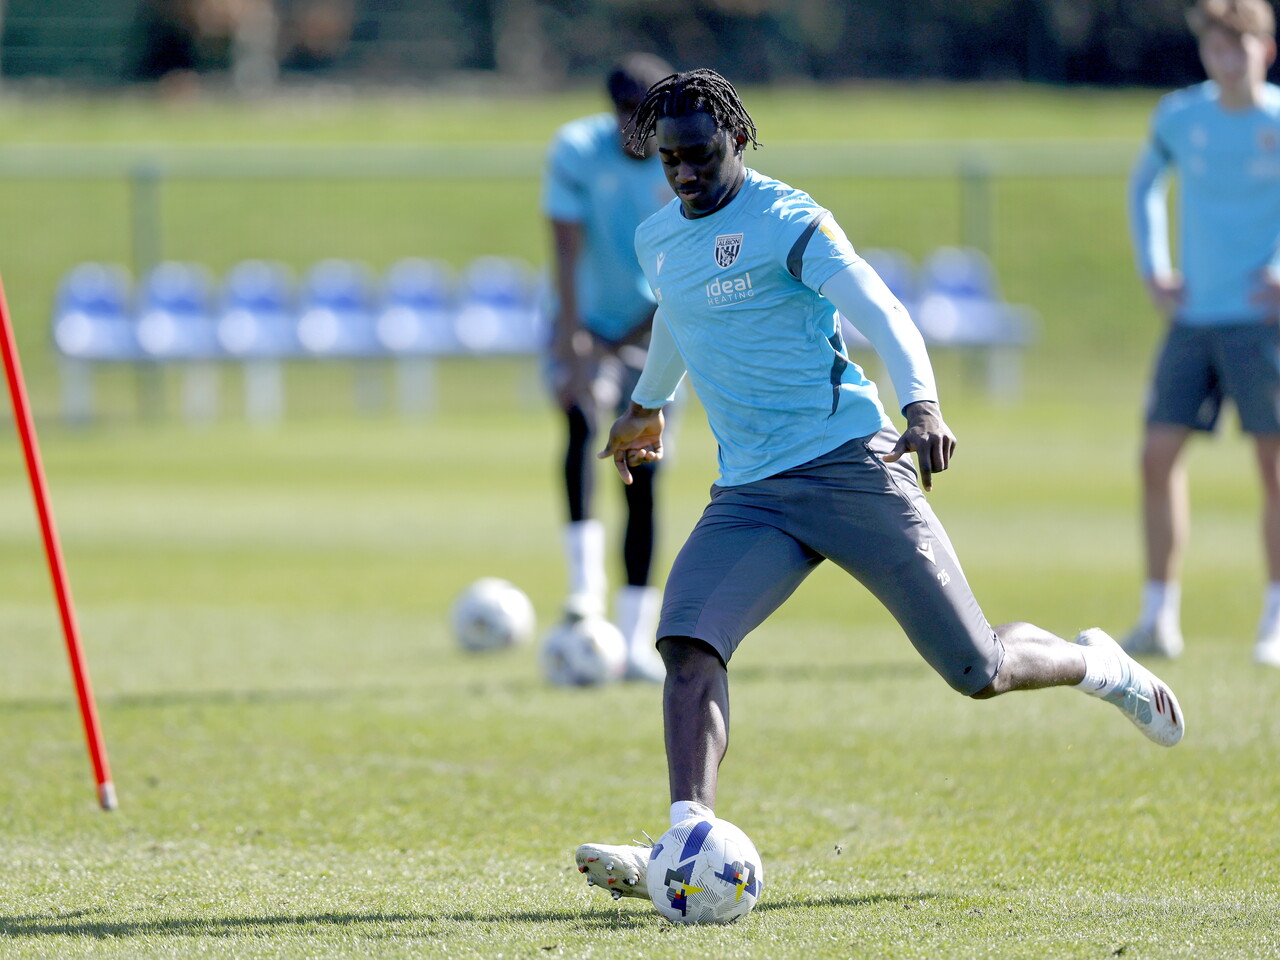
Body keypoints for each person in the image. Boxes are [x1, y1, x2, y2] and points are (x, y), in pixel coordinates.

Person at [573, 68, 1185, 902]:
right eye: (670, 161)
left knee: (979, 668)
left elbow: (885, 311)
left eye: (701, 157)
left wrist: (921, 404)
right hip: (751, 493)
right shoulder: (659, 237)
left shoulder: (790, 220)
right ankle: (687, 837)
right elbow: (680, 312)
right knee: (688, 644)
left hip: (852, 467)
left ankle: (1098, 666)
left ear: (739, 142)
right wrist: (648, 404)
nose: (684, 176)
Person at [1125, 0, 1280, 665]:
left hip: (1262, 320)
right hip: (1193, 318)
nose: (1227, 59)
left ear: (1264, 51)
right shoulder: (1180, 117)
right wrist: (1156, 268)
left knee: (1273, 469)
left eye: (1238, 47)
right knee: (1156, 458)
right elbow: (1144, 188)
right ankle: (1159, 615)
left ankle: (1275, 616)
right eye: (1215, 48)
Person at [541, 53, 676, 682]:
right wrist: (573, 340)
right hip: (585, 321)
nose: (635, 131)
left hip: (656, 326)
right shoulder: (575, 148)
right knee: (579, 420)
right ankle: (583, 590)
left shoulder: (683, 157)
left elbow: (688, 263)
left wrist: (643, 330)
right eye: (626, 115)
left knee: (644, 464)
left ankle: (633, 637)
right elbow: (564, 250)